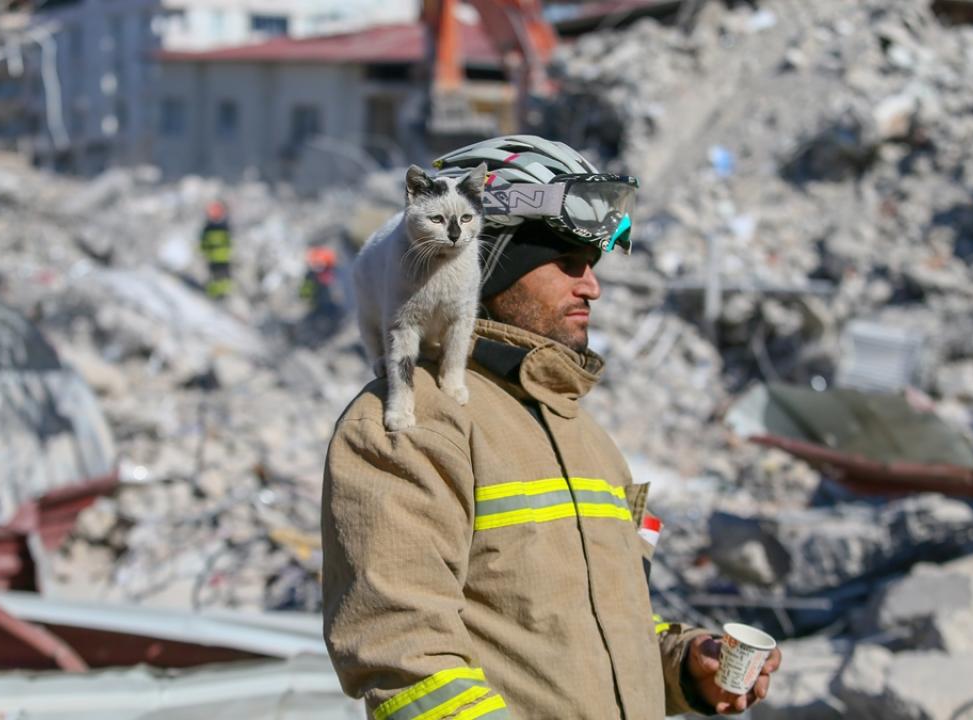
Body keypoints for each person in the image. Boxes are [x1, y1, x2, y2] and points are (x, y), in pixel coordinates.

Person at [322, 136, 781, 719]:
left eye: (591, 264)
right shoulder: (414, 424)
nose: (591, 285)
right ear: (486, 264)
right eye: (566, 263)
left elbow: (600, 629)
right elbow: (404, 658)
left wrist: (685, 663)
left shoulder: (584, 436)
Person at [200, 200, 233, 300]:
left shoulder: (222, 226)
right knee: (216, 277)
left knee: (222, 277)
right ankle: (215, 295)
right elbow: (204, 242)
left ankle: (223, 296)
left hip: (222, 257)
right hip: (215, 257)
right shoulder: (210, 227)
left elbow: (228, 242)